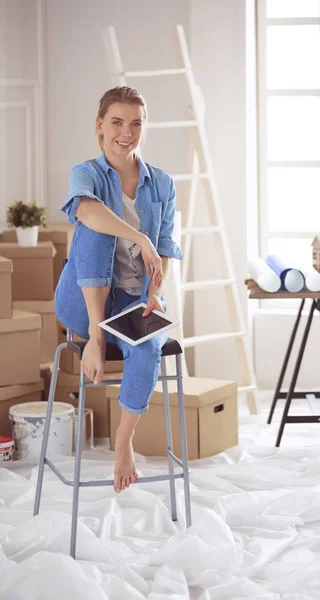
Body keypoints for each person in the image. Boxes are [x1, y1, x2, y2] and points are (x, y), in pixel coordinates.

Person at [55, 86, 183, 493]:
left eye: (135, 123)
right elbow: (87, 210)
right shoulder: (87, 173)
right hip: (82, 300)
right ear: (100, 125)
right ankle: (93, 335)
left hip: (130, 299)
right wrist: (137, 237)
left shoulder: (161, 182)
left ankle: (123, 443)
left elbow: (163, 245)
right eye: (116, 122)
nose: (126, 132)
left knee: (147, 348)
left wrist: (155, 290)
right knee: (94, 227)